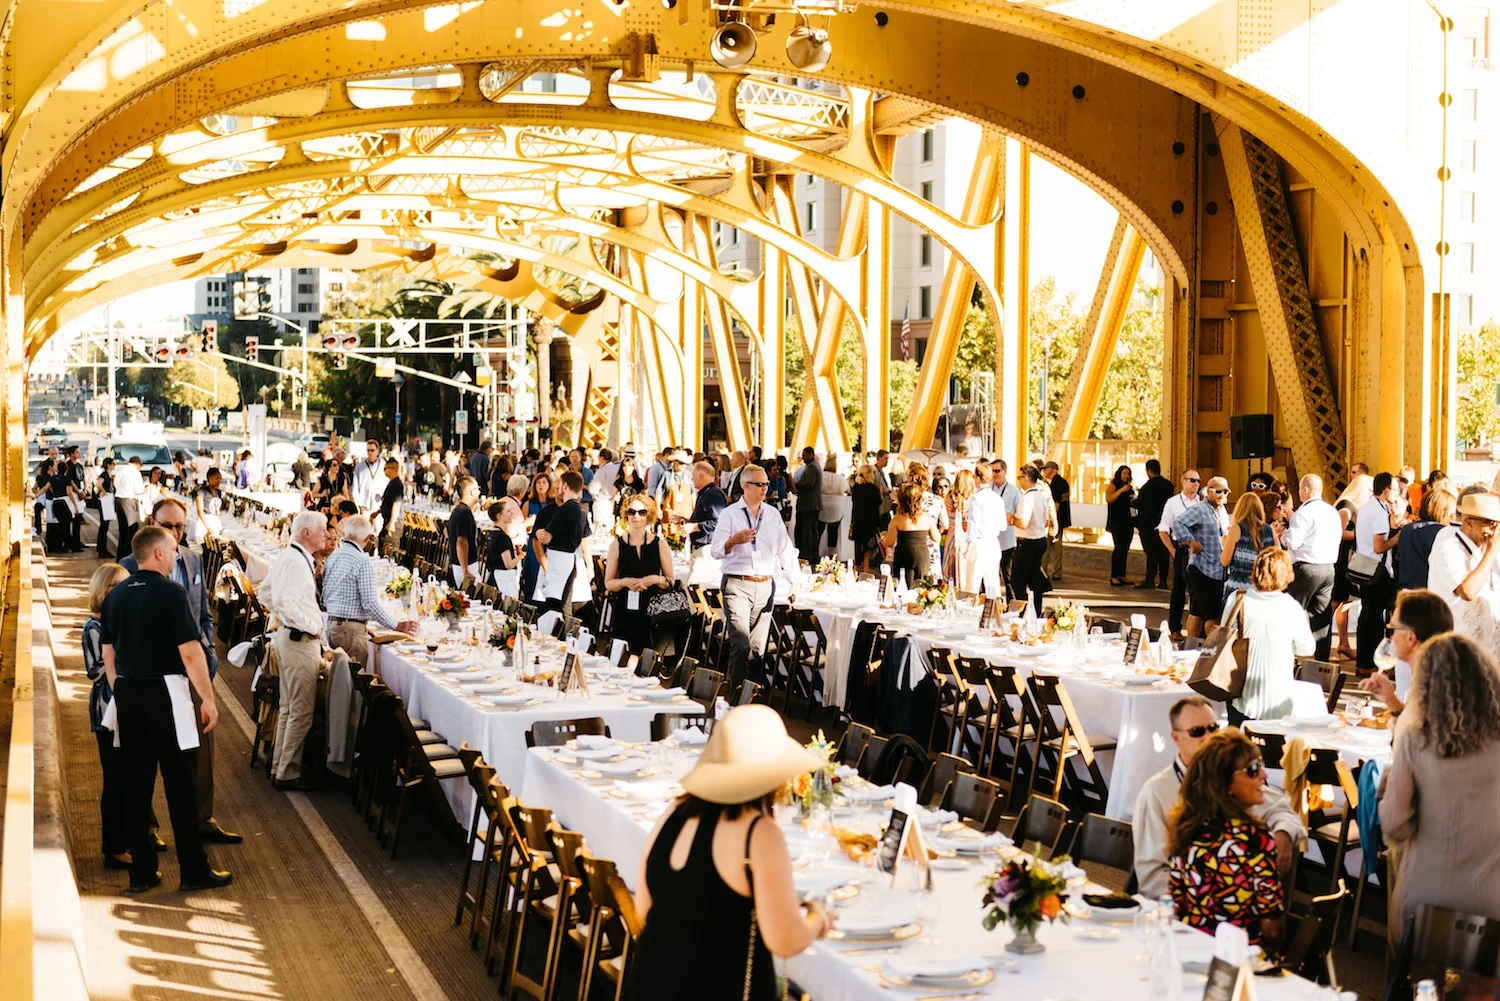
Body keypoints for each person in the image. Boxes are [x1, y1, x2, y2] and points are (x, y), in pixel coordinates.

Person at [621, 705, 834, 999]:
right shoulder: (759, 833)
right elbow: (785, 940)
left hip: (648, 986)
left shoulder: (672, 813)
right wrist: (818, 919)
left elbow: (646, 909)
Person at [101, 526, 232, 893]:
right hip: (168, 693)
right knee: (181, 786)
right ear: (157, 554)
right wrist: (207, 698)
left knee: (137, 787)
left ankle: (142, 873)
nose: (177, 556)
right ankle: (193, 869)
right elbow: (190, 653)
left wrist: (119, 685)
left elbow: (108, 652)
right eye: (173, 550)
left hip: (128, 692)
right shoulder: (171, 594)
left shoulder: (116, 595)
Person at [119, 497, 240, 845]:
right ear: (150, 525)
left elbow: (203, 612)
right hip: (155, 674)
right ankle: (149, 829)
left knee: (202, 750)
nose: (175, 533)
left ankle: (201, 820)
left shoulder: (192, 557)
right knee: (150, 754)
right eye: (168, 526)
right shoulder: (129, 566)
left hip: (194, 670)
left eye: (180, 527)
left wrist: (209, 653)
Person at [1380, 632, 1500, 941]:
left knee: (1425, 988)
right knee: (1478, 989)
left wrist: (1385, 794)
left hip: (1427, 894)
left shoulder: (1415, 739)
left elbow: (1394, 825)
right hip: (1489, 898)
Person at [1134, 696, 1304, 898]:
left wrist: (1283, 833)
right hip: (1180, 907)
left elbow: (1282, 809)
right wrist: (1221, 893)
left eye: (1213, 728)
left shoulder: (1232, 779)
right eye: (1197, 731)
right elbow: (1152, 880)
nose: (1208, 737)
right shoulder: (1158, 791)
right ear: (1176, 738)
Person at [1167, 729, 1285, 949]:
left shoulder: (1186, 827)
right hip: (1237, 960)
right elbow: (1273, 930)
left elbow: (1175, 904)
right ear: (1226, 784)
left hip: (1188, 950)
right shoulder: (1255, 841)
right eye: (1252, 769)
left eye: (1259, 764)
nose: (1264, 775)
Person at [710, 463, 798, 688]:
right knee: (741, 644)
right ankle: (738, 698)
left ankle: (753, 697)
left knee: (758, 648)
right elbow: (716, 550)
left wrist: (794, 580)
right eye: (760, 484)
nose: (765, 489)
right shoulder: (730, 514)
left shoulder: (772, 514)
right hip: (738, 583)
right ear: (746, 486)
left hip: (766, 585)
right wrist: (733, 541)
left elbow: (784, 548)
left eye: (767, 484)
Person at [261, 511, 329, 792]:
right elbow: (280, 599)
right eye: (323, 530)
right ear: (307, 533)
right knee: (300, 711)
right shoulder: (296, 562)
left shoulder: (292, 556)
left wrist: (287, 617)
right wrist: (311, 625)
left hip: (289, 638)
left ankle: (281, 767)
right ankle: (287, 773)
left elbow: (266, 593)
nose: (327, 534)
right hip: (299, 641)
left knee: (290, 708)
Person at [1220, 549, 1315, 724]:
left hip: (1240, 693)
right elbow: (1307, 648)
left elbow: (1223, 636)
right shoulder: (1292, 607)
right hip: (1279, 699)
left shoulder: (1238, 598)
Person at [85, 563, 133, 870]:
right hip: (108, 711)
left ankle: (126, 839)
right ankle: (114, 848)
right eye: (118, 586)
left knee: (127, 779)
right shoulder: (95, 627)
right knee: (115, 781)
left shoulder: (119, 621)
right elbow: (95, 670)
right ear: (104, 591)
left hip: (125, 707)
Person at [324, 515, 416, 667]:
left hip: (333, 626)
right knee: (353, 683)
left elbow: (326, 595)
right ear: (367, 538)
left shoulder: (334, 556)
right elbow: (369, 604)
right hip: (349, 632)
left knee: (340, 680)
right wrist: (396, 625)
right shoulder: (362, 561)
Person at [1425, 490, 1500, 657]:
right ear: (1468, 522)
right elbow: (1467, 591)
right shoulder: (1448, 550)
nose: (1494, 531)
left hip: (1488, 655)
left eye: (1497, 524)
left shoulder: (1485, 550)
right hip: (1457, 655)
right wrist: (1492, 549)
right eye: (1489, 523)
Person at [1359, 589, 1454, 713]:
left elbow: (1415, 731)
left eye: (1393, 628)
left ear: (1411, 638)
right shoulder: (1436, 673)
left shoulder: (1435, 687)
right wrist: (1390, 700)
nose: (1392, 637)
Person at [1355, 472, 1411, 671]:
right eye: (1395, 489)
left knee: (1367, 615)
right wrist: (1398, 538)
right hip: (1376, 569)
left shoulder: (1367, 507)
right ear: (1386, 491)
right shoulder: (1379, 512)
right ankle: (1370, 664)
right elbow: (1379, 547)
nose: (1396, 494)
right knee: (1374, 619)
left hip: (1364, 566)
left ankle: (1363, 662)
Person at [606, 495, 676, 656]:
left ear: (648, 515)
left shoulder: (659, 544)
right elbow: (608, 583)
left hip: (652, 613)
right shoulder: (617, 545)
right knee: (621, 661)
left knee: (648, 665)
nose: (636, 516)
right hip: (624, 611)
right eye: (632, 512)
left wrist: (654, 579)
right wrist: (625, 582)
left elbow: (671, 581)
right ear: (626, 515)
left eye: (642, 512)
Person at [1282, 474, 1342, 659]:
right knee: (1322, 618)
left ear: (1305, 489)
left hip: (1306, 568)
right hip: (1328, 568)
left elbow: (1293, 541)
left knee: (1291, 613)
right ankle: (1321, 663)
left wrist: (1283, 535)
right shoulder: (1331, 511)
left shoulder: (1304, 512)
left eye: (1300, 488)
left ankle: (1286, 657)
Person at [1171, 475, 1231, 638]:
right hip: (1202, 568)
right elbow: (1178, 523)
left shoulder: (1221, 511)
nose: (1223, 495)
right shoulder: (1200, 509)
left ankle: (1201, 649)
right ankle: (1201, 650)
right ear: (1209, 492)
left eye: (1226, 492)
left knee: (1205, 612)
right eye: (1219, 491)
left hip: (1219, 569)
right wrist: (1191, 541)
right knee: (1205, 614)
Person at [533, 470, 593, 614]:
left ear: (565, 486)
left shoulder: (569, 508)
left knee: (560, 606)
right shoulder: (574, 509)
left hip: (563, 562)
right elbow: (536, 541)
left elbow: (584, 541)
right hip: (558, 562)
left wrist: (589, 565)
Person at [1158, 470, 1202, 636]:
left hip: (1200, 549)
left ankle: (1196, 629)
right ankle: (1175, 628)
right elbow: (1163, 530)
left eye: (1198, 481)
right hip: (1182, 548)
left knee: (1197, 590)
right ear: (1183, 481)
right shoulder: (1173, 503)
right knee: (1179, 589)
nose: (1196, 483)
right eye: (1192, 480)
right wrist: (1173, 550)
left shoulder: (1202, 502)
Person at [1008, 464, 1054, 614]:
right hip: (1040, 539)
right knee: (1034, 579)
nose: (1019, 481)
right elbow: (1047, 520)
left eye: (1020, 477)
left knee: (1017, 580)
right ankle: (1036, 610)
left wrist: (1011, 519)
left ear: (1026, 479)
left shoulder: (1027, 498)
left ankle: (1023, 611)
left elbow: (1023, 523)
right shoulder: (1041, 496)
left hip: (1027, 541)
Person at [1220, 492, 1277, 602]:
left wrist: (1224, 543)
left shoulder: (1236, 529)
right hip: (1262, 588)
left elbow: (1224, 561)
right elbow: (1278, 557)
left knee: (1235, 619)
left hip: (1238, 588)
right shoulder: (1270, 530)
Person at [1397, 485, 1455, 592]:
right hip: (1429, 590)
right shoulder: (1442, 532)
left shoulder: (1406, 530)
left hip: (1406, 589)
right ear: (1443, 510)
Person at [881, 481, 938, 582]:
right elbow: (936, 538)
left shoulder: (897, 519)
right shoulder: (927, 518)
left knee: (903, 586)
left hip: (904, 555)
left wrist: (885, 535)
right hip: (922, 556)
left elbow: (889, 543)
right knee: (921, 587)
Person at [682, 460, 728, 580]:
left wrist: (694, 527)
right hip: (702, 548)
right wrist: (688, 521)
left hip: (707, 549)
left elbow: (718, 522)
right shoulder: (705, 493)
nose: (692, 480)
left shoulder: (714, 494)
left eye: (694, 477)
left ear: (702, 476)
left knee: (693, 589)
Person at [1104, 464, 1135, 586]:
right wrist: (1121, 490)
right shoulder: (1114, 485)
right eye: (1124, 473)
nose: (1126, 476)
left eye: (1128, 474)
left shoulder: (1129, 487)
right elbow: (1109, 498)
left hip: (1128, 521)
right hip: (1117, 521)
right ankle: (1114, 575)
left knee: (1125, 549)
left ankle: (1122, 574)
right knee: (1118, 548)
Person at [848, 465, 883, 572]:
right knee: (868, 545)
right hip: (870, 519)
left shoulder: (856, 487)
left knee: (858, 544)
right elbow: (879, 501)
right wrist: (880, 491)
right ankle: (866, 567)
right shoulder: (872, 488)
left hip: (857, 518)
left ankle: (856, 567)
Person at [447, 476, 481, 586]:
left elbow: (446, 531)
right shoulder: (464, 513)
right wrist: (465, 570)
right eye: (477, 489)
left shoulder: (457, 510)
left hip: (458, 563)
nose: (479, 492)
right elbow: (461, 542)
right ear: (471, 492)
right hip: (466, 565)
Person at [1040, 461, 1071, 581]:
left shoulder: (1057, 483)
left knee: (1049, 547)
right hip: (1061, 519)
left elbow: (1055, 504)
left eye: (1045, 469)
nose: (1043, 471)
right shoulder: (1061, 482)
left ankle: (1045, 571)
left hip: (1056, 520)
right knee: (1056, 547)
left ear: (1052, 469)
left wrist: (1052, 521)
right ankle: (1056, 571)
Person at [485, 502, 522, 597]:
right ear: (499, 516)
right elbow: (508, 564)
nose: (511, 514)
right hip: (503, 581)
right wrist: (521, 556)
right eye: (508, 511)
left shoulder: (492, 534)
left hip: (493, 578)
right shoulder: (502, 538)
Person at [112, 452, 145, 559]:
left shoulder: (121, 470)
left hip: (119, 500)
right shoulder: (135, 473)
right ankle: (128, 555)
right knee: (131, 530)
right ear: (138, 464)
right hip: (129, 501)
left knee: (123, 530)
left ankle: (120, 555)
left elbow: (115, 484)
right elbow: (138, 490)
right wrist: (145, 488)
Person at [792, 447, 822, 563]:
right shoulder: (813, 466)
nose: (803, 458)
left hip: (809, 504)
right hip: (811, 504)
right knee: (812, 531)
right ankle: (812, 555)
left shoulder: (812, 467)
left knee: (807, 532)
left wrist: (796, 485)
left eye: (805, 455)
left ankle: (808, 556)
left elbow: (809, 484)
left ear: (811, 454)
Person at [819, 453, 846, 560]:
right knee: (833, 531)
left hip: (823, 505)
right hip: (836, 506)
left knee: (819, 529)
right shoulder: (839, 478)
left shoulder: (821, 476)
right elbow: (847, 489)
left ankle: (816, 551)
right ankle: (831, 553)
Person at [376, 458, 404, 557]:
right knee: (382, 543)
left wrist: (392, 523)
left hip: (393, 522)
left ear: (392, 469)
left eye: (385, 468)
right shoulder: (392, 483)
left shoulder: (397, 484)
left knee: (389, 548)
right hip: (387, 520)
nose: (384, 471)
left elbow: (396, 503)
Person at [192, 467, 224, 543]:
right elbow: (200, 511)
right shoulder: (202, 492)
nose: (219, 481)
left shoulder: (218, 492)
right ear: (210, 478)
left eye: (220, 479)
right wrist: (208, 527)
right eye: (217, 478)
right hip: (205, 523)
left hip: (215, 522)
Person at [352, 439, 384, 513]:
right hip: (364, 504)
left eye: (372, 450)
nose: (369, 453)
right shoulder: (360, 466)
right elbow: (355, 487)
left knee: (378, 524)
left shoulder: (383, 465)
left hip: (378, 504)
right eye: (368, 450)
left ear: (377, 451)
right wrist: (356, 505)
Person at [95, 457, 117, 558]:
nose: (114, 466)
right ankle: (102, 549)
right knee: (104, 524)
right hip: (105, 501)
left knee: (105, 524)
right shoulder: (104, 475)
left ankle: (102, 547)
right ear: (108, 465)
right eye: (113, 464)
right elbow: (98, 484)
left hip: (108, 500)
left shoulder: (108, 475)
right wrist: (104, 491)